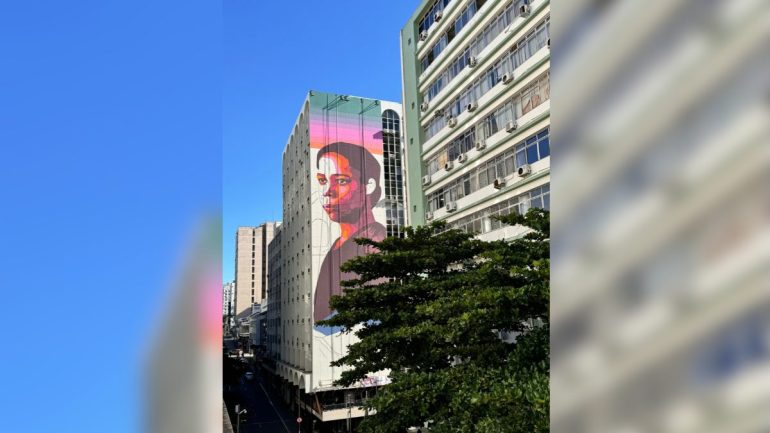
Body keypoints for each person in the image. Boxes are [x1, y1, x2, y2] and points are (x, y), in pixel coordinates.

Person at [314, 141, 385, 323]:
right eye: (322, 180)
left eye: (341, 181)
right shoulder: (338, 244)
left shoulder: (374, 241)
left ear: (368, 186)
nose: (327, 192)